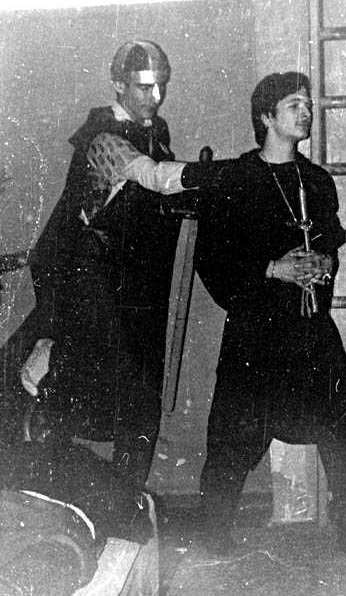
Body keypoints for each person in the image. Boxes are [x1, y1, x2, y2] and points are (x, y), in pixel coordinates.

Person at [0, 40, 213, 538]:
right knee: (59, 395)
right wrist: (216, 176)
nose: (155, 96)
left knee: (136, 406)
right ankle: (57, 516)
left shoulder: (154, 132)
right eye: (144, 86)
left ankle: (121, 513)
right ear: (117, 84)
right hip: (85, 287)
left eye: (161, 85)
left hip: (131, 292)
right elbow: (153, 178)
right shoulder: (102, 138)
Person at [195, 71, 346, 554]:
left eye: (308, 104)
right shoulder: (235, 180)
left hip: (310, 327)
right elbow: (211, 260)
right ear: (267, 117)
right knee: (235, 436)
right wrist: (273, 269)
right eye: (295, 105)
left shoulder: (316, 181)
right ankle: (213, 531)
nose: (306, 112)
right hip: (256, 330)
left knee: (345, 430)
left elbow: (330, 242)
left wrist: (324, 263)